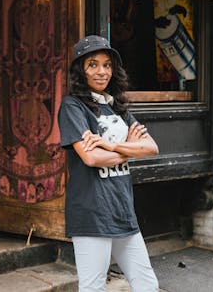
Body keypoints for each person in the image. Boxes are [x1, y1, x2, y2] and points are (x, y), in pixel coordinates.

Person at [57, 35, 160, 292]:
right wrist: (130, 150)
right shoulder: (73, 106)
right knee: (94, 287)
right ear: (81, 70)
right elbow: (91, 157)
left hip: (122, 208)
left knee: (147, 283)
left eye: (107, 65)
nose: (102, 71)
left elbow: (151, 148)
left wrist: (112, 146)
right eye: (93, 64)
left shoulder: (117, 107)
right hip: (92, 211)